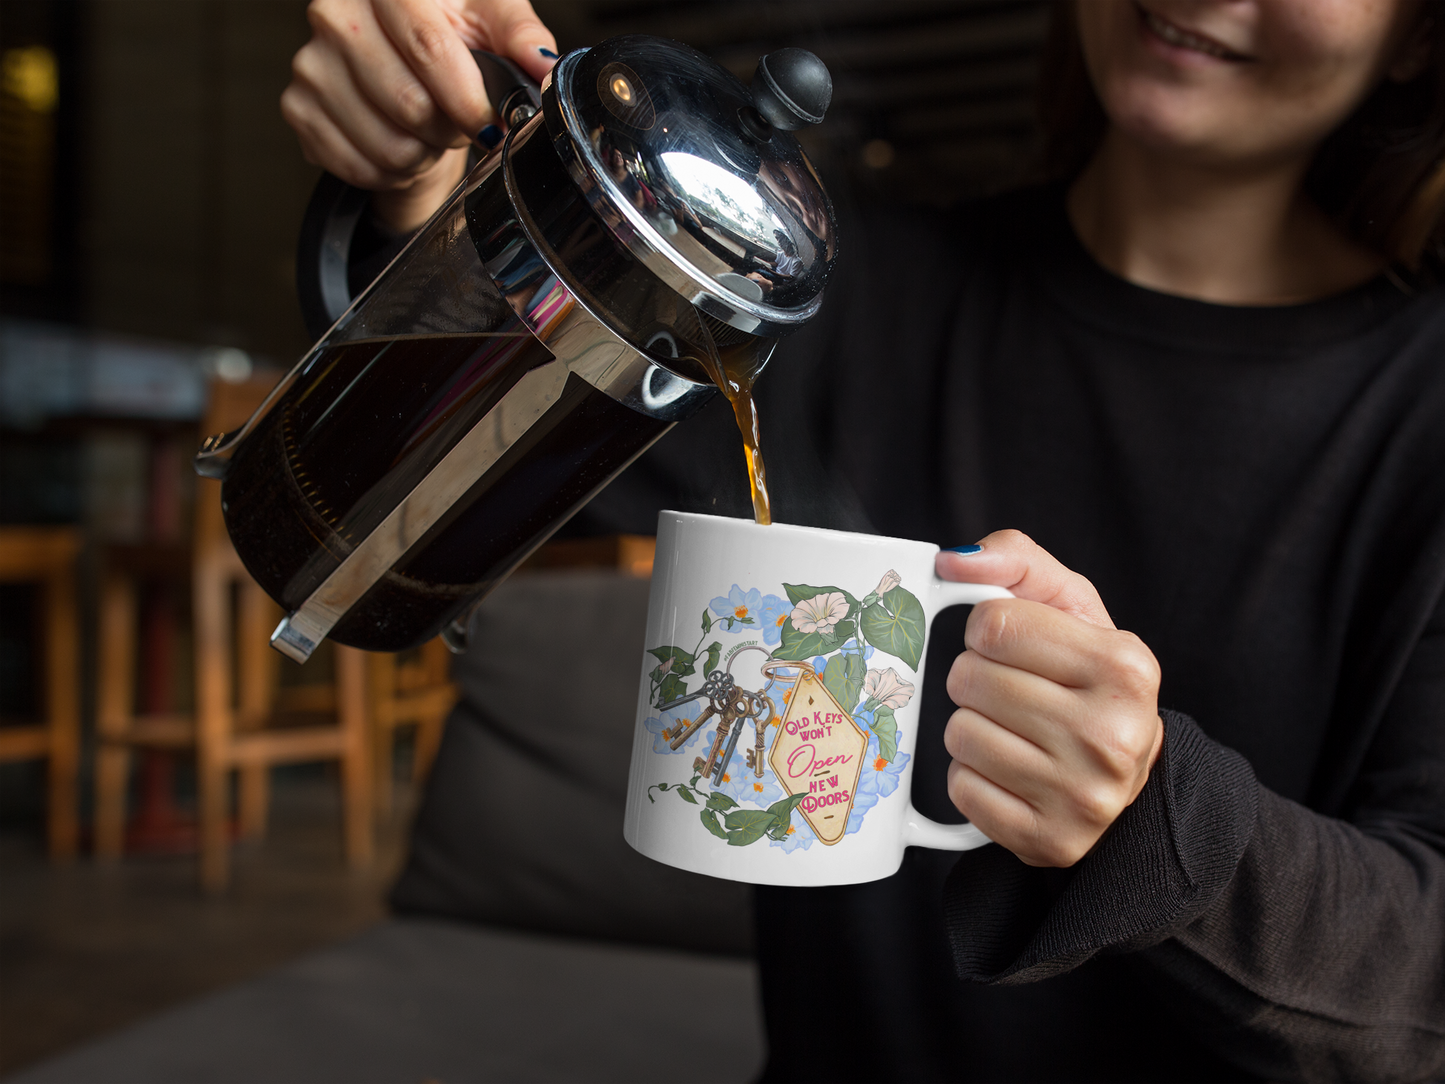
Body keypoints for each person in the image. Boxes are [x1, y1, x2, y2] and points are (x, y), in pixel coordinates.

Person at [281, 1, 1445, 1080]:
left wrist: (1157, 821)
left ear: (1415, 34)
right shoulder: (817, 298)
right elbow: (435, 491)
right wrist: (432, 189)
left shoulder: (1417, 408)